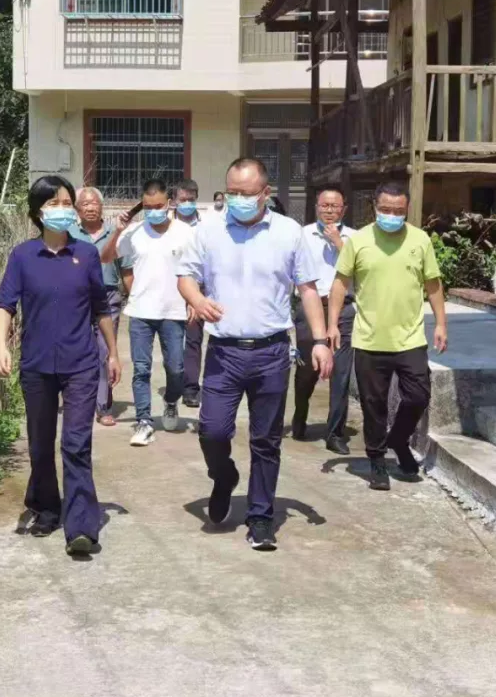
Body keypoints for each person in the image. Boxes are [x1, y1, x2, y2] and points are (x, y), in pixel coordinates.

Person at [177, 157, 333, 551]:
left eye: (246, 193)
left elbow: (308, 289)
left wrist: (319, 340)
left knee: (266, 440)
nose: (237, 199)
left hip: (271, 353)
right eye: (231, 192)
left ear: (265, 193)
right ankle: (224, 476)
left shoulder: (289, 232)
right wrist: (197, 299)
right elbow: (185, 276)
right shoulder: (208, 230)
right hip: (224, 352)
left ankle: (260, 517)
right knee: (212, 431)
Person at [0, 175, 121, 556]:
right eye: (54, 203)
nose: (63, 209)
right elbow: (5, 304)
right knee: (39, 443)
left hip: (81, 363)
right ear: (38, 212)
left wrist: (113, 353)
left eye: (68, 203)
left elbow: (101, 308)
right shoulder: (22, 256)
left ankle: (81, 526)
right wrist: (1, 345)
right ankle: (47, 507)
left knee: (76, 443)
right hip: (36, 364)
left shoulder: (86, 256)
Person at [328, 180, 447, 492]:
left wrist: (441, 324)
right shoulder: (358, 241)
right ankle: (377, 460)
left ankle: (398, 438)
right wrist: (332, 325)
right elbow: (340, 284)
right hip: (369, 339)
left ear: (407, 209)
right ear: (374, 208)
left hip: (410, 338)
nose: (391, 215)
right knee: (374, 405)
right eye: (385, 209)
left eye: (398, 211)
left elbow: (433, 284)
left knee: (419, 396)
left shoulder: (420, 240)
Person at [114, 179, 194, 447]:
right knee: (141, 369)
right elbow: (109, 258)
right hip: (141, 312)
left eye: (158, 206)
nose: (153, 211)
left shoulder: (186, 233)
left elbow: (197, 269)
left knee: (176, 368)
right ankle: (144, 421)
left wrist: (194, 300)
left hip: (174, 311)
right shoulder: (134, 231)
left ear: (169, 203)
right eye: (147, 207)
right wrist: (119, 230)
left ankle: (170, 401)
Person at [292, 186, 357, 454]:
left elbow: (361, 270)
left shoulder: (355, 237)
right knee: (307, 370)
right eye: (324, 206)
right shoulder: (302, 235)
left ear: (344, 209)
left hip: (343, 311)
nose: (329, 211)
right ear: (316, 207)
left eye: (335, 206)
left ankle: (335, 433)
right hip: (311, 308)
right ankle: (300, 414)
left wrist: (340, 244)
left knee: (341, 373)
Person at [70, 187, 123, 427]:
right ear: (77, 209)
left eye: (94, 203)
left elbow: (126, 268)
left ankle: (103, 407)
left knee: (104, 350)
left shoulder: (115, 232)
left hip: (108, 295)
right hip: (77, 297)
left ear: (102, 207)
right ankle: (79, 399)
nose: (90, 208)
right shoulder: (69, 233)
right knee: (79, 350)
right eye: (85, 204)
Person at [173, 180, 205, 408]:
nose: (186, 203)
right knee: (173, 341)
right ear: (174, 201)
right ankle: (174, 383)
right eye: (182, 199)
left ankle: (191, 388)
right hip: (170, 289)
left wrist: (196, 296)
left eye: (191, 200)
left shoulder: (204, 227)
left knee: (193, 339)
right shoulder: (166, 226)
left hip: (197, 289)